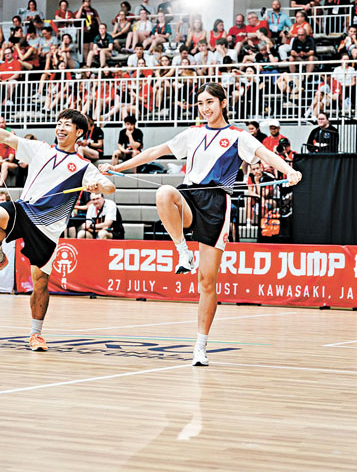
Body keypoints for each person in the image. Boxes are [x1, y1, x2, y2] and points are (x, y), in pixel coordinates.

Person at [99, 83, 301, 366]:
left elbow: (266, 156)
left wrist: (289, 171)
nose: (205, 108)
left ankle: (200, 346)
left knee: (207, 281)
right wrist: (116, 167)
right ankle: (183, 251)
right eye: (200, 103)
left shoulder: (238, 137)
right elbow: (155, 151)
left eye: (210, 102)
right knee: (163, 193)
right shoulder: (192, 133)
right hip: (190, 196)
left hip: (217, 206)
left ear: (223, 102)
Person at [0, 106, 115, 352]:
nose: (60, 128)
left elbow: (108, 186)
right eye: (59, 123)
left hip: (48, 229)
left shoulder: (83, 166)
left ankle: (36, 334)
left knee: (40, 281)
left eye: (67, 124)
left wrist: (97, 184)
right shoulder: (40, 149)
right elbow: (5, 137)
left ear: (79, 132)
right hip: (26, 210)